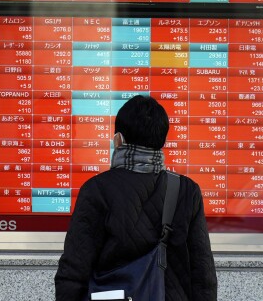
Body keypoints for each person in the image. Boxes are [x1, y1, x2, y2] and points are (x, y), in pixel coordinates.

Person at [54, 95, 217, 301]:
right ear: (162, 140)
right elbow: (203, 275)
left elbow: (74, 271)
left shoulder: (97, 190)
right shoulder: (187, 191)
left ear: (118, 140)